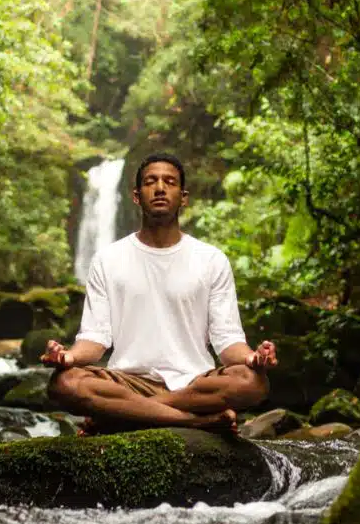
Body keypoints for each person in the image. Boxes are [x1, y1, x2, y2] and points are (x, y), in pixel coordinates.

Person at [42, 152, 277, 433]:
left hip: (194, 383)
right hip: (126, 382)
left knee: (253, 381)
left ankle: (121, 415)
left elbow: (227, 341)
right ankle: (196, 421)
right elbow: (95, 339)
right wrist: (67, 357)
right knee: (64, 382)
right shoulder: (108, 259)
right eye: (151, 181)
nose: (160, 188)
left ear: (184, 196)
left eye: (170, 182)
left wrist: (252, 358)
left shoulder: (211, 260)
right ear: (136, 195)